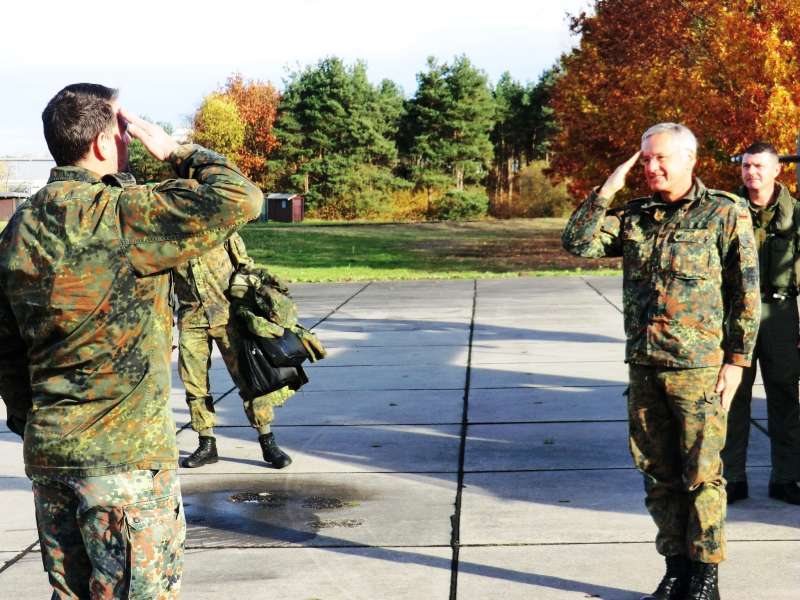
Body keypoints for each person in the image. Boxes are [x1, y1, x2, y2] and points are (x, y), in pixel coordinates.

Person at [0, 83, 262, 598]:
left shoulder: (18, 228)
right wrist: (176, 151)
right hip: (123, 468)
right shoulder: (124, 215)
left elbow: (6, 348)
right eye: (122, 134)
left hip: (52, 456)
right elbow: (241, 197)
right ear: (101, 143)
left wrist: (32, 423)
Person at [562, 123, 760, 600]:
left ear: (690, 160)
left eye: (660, 159)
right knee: (657, 476)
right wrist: (608, 188)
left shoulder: (724, 213)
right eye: (645, 159)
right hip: (646, 367)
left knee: (702, 478)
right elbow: (579, 242)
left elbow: (746, 295)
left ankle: (705, 577)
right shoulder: (635, 217)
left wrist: (736, 362)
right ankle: (674, 569)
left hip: (700, 372)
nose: (651, 167)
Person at [722, 141, 800, 505]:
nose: (751, 173)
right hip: (735, 314)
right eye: (746, 166)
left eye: (758, 166)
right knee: (732, 396)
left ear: (776, 170)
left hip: (781, 314)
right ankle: (731, 477)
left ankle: (785, 477)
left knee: (785, 395)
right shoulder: (725, 213)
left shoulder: (796, 215)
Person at [174, 233, 294, 469]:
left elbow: (245, 267)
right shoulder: (170, 238)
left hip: (228, 318)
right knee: (194, 384)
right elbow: (164, 285)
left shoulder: (222, 230)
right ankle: (206, 443)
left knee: (251, 380)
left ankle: (267, 442)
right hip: (192, 320)